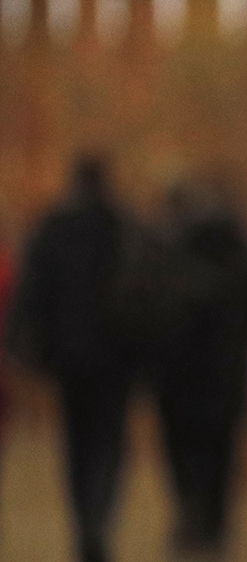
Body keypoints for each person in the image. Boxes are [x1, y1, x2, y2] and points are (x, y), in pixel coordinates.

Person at [5, 155, 142, 562]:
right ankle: (101, 515)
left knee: (78, 442)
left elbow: (30, 292)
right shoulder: (126, 225)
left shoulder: (53, 226)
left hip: (70, 358)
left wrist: (24, 346)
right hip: (118, 358)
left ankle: (86, 520)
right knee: (111, 440)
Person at [153, 172, 247, 560]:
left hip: (177, 372)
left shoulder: (172, 246)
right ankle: (216, 522)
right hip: (230, 368)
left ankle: (190, 508)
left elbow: (149, 304)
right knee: (223, 446)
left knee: (180, 444)